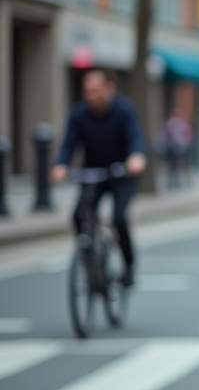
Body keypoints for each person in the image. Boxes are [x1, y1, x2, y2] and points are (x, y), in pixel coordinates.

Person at [50, 68, 147, 287]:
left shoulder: (125, 111)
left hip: (121, 174)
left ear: (109, 88)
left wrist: (136, 158)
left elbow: (136, 138)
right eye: (87, 91)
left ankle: (128, 266)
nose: (90, 96)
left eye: (96, 90)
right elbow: (68, 144)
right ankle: (89, 260)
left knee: (119, 218)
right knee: (78, 216)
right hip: (93, 175)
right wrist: (61, 166)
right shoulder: (79, 114)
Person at [157, 106, 193, 190]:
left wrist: (186, 144)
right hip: (173, 149)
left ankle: (180, 181)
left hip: (182, 148)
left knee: (180, 165)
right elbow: (166, 136)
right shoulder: (171, 124)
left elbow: (188, 136)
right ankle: (173, 182)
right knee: (173, 166)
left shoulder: (183, 124)